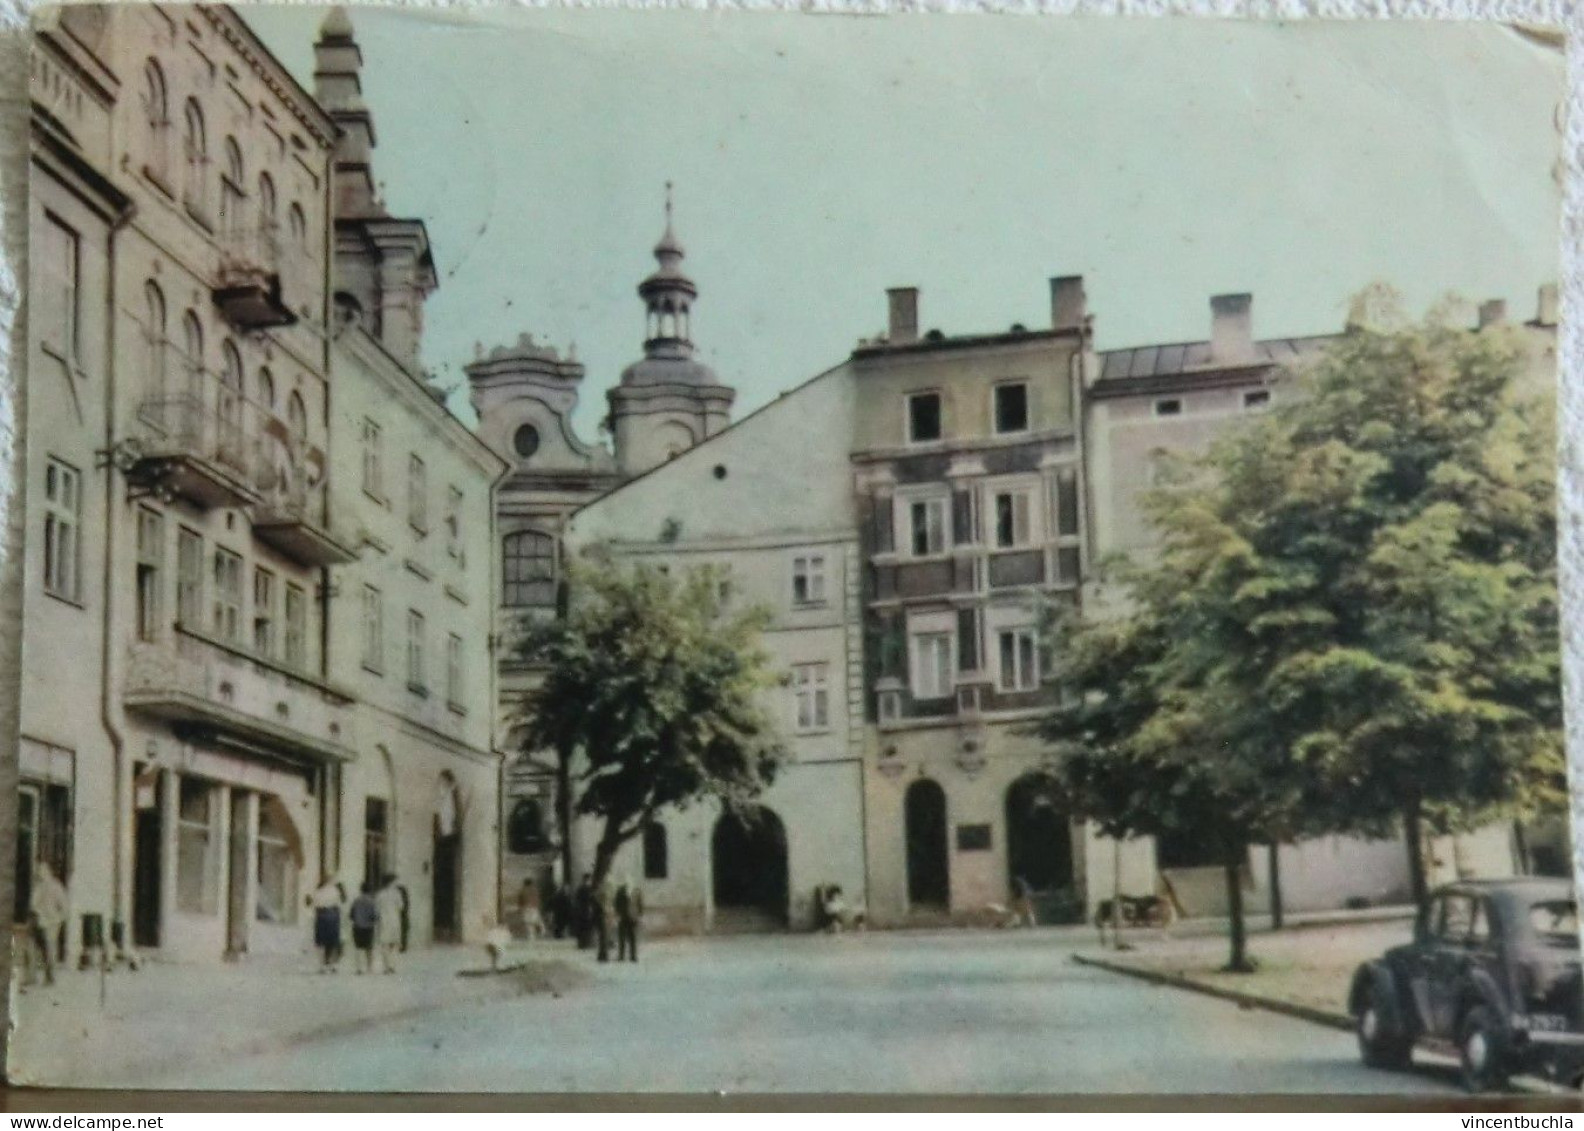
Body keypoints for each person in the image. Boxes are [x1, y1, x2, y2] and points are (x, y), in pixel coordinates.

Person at [29, 863, 67, 986]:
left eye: (42, 872)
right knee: (47, 948)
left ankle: (49, 976)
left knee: (47, 948)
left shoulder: (50, 886)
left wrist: (58, 917)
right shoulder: (51, 886)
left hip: (48, 921)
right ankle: (48, 975)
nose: (41, 875)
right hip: (47, 921)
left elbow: (33, 904)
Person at [311, 874, 346, 973]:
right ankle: (332, 964)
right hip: (333, 916)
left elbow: (314, 904)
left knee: (321, 942)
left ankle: (323, 964)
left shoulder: (318, 891)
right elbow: (340, 903)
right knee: (332, 942)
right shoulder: (335, 891)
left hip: (321, 916)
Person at [375, 874, 404, 974]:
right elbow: (401, 907)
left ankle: (386, 966)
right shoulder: (397, 894)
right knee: (395, 944)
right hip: (395, 920)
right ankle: (392, 965)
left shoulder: (380, 894)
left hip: (383, 921)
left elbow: (377, 909)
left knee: (385, 944)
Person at [349, 882, 379, 974]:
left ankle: (359, 968)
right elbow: (375, 915)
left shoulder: (356, 901)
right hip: (368, 927)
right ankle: (369, 968)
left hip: (357, 926)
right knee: (369, 948)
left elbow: (351, 914)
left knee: (358, 948)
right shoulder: (372, 901)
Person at [614, 877, 643, 963]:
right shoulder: (620, 891)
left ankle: (633, 956)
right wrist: (618, 913)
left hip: (632, 917)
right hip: (623, 917)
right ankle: (621, 955)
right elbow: (616, 903)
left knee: (632, 938)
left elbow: (640, 903)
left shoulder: (636, 892)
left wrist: (639, 914)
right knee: (622, 937)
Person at [593, 877, 614, 963]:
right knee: (603, 938)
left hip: (601, 920)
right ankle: (603, 955)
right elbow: (603, 911)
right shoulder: (599, 902)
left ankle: (602, 955)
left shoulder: (597, 899)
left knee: (603, 938)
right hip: (602, 920)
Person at [573, 873, 594, 950]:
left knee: (581, 928)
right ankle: (584, 944)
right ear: (587, 880)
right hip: (584, 911)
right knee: (585, 928)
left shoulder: (579, 888)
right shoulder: (586, 889)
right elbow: (589, 900)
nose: (590, 881)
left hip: (580, 911)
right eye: (589, 880)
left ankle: (581, 944)